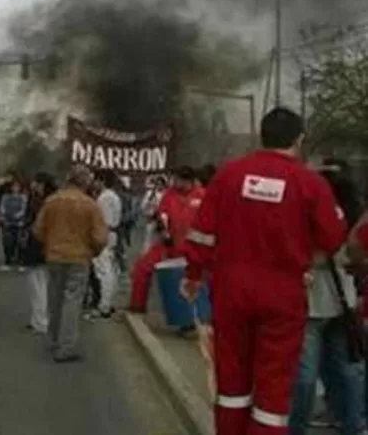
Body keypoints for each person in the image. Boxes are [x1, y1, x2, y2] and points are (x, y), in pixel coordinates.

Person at [180, 108, 348, 435]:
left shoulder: (228, 175)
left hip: (231, 291)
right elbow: (333, 237)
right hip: (282, 295)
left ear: (262, 135)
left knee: (232, 384)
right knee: (272, 391)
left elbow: (201, 234)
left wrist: (193, 274)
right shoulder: (310, 183)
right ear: (299, 139)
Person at [288, 166, 365, 435]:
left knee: (306, 375)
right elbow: (352, 255)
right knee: (346, 369)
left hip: (313, 304)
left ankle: (296, 427)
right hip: (344, 301)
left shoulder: (309, 215)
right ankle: (353, 424)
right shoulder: (353, 215)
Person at [32, 165, 108, 362]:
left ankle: (53, 339)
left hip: (55, 256)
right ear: (84, 182)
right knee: (72, 301)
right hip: (79, 257)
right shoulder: (90, 205)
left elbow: (38, 230)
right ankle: (67, 346)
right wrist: (93, 251)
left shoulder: (51, 201)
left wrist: (49, 244)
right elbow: (100, 238)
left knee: (54, 299)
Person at [129, 166, 205, 314]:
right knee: (142, 268)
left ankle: (193, 316)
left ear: (187, 181)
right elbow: (161, 214)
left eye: (178, 180)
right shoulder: (169, 194)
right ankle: (137, 305)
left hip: (193, 249)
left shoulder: (202, 195)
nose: (174, 182)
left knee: (195, 281)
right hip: (169, 245)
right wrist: (164, 231)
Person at [22, 172, 57, 334]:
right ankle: (37, 318)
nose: (32, 185)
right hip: (42, 245)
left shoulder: (44, 202)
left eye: (35, 182)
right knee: (38, 285)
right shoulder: (43, 199)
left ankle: (40, 321)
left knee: (38, 285)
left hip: (38, 245)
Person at [90, 170, 122, 319]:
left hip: (104, 233)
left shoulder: (104, 198)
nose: (93, 183)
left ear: (101, 180)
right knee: (110, 269)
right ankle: (108, 302)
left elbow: (103, 220)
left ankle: (104, 305)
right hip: (111, 233)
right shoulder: (113, 196)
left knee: (103, 270)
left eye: (95, 179)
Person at [0, 180, 28, 272]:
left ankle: (21, 262)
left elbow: (23, 209)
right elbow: (2, 207)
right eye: (13, 186)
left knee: (20, 243)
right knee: (7, 242)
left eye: (17, 186)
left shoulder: (23, 197)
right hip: (7, 222)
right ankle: (7, 261)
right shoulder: (5, 197)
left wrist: (17, 216)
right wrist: (4, 216)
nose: (15, 188)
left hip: (19, 223)